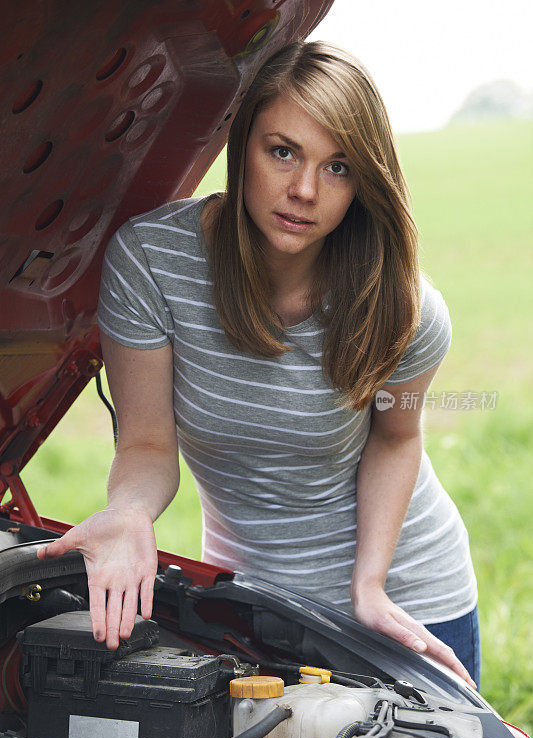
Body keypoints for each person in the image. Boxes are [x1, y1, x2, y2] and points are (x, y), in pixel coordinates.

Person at [37, 40, 480, 689]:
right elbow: (147, 443)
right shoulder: (153, 262)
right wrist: (130, 511)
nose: (303, 190)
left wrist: (369, 586)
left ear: (364, 183)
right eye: (282, 152)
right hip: (252, 604)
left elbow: (396, 438)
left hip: (407, 598)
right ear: (241, 144)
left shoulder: (406, 306)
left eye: (338, 167)